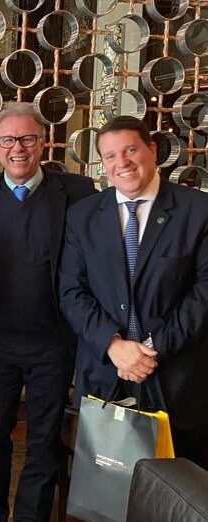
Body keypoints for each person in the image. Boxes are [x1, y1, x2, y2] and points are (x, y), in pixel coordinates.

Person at [0, 102, 95, 522]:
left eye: (27, 138)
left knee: (43, 442)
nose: (17, 148)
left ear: (43, 142)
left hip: (52, 343)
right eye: (7, 140)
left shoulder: (77, 192)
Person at [60, 115, 208, 470]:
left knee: (178, 489)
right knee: (106, 487)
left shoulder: (198, 211)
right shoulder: (82, 216)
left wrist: (150, 349)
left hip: (177, 380)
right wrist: (114, 346)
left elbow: (204, 293)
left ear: (152, 150)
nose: (121, 163)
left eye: (130, 150)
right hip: (105, 376)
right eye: (110, 156)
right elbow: (71, 291)